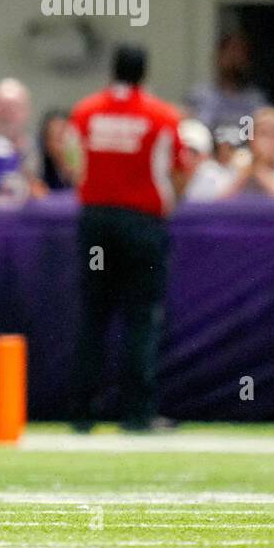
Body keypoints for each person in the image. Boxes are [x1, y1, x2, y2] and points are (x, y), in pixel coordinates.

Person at [68, 45, 187, 433]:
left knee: (94, 315)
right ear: (144, 73)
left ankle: (83, 412)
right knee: (142, 317)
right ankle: (137, 414)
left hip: (97, 222)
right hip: (142, 225)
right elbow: (179, 169)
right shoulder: (161, 116)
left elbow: (70, 159)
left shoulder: (86, 112)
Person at [187, 32, 267, 132]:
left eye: (241, 53)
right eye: (231, 51)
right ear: (218, 57)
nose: (235, 58)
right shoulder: (200, 95)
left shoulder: (256, 100)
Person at [223, 106, 274, 201]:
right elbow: (218, 203)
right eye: (261, 133)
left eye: (272, 134)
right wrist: (243, 175)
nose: (264, 141)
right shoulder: (241, 159)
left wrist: (259, 170)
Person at [179, 118, 232, 202]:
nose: (187, 156)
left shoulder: (219, 181)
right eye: (183, 150)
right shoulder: (164, 176)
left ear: (206, 156)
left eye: (194, 152)